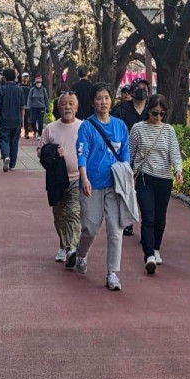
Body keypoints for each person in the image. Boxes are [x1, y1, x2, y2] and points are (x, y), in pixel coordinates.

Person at [75, 82, 130, 291]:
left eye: (106, 98)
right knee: (90, 228)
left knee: (115, 229)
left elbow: (125, 152)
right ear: (92, 102)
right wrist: (84, 178)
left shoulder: (120, 126)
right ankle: (81, 254)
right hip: (92, 184)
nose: (103, 102)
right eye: (99, 98)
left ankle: (112, 273)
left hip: (114, 185)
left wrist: (125, 173)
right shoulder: (87, 127)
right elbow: (82, 153)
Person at [130, 94, 183, 274]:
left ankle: (156, 247)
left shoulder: (168, 130)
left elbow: (174, 152)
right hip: (145, 177)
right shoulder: (138, 128)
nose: (158, 117)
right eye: (154, 113)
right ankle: (149, 255)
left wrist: (178, 170)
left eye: (162, 113)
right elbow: (130, 152)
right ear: (148, 111)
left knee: (160, 217)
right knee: (148, 217)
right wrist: (128, 173)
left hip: (164, 178)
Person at [37, 92, 82, 266]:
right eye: (64, 104)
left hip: (77, 178)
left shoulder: (83, 127)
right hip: (56, 179)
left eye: (71, 104)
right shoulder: (50, 128)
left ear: (76, 107)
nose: (67, 107)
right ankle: (64, 245)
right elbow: (40, 151)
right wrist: (52, 151)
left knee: (74, 213)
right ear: (58, 107)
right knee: (59, 215)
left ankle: (72, 248)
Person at [113, 78, 149, 235]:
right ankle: (127, 220)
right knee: (127, 188)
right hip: (125, 154)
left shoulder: (151, 110)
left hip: (146, 156)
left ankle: (146, 224)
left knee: (144, 191)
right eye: (139, 88)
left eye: (145, 88)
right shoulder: (121, 109)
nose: (142, 91)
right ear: (132, 92)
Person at [0, 68, 26, 171]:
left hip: (4, 120)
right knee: (14, 142)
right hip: (16, 120)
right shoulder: (19, 89)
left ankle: (6, 155)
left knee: (3, 139)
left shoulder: (1, 89)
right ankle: (12, 165)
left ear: (4, 77)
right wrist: (22, 122)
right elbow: (22, 107)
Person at [20, 72, 32, 137]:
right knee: (19, 119)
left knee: (26, 119)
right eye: (24, 77)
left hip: (27, 105)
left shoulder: (30, 87)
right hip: (20, 105)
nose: (25, 78)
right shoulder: (19, 86)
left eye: (27, 77)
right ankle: (18, 132)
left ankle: (26, 133)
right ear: (22, 78)